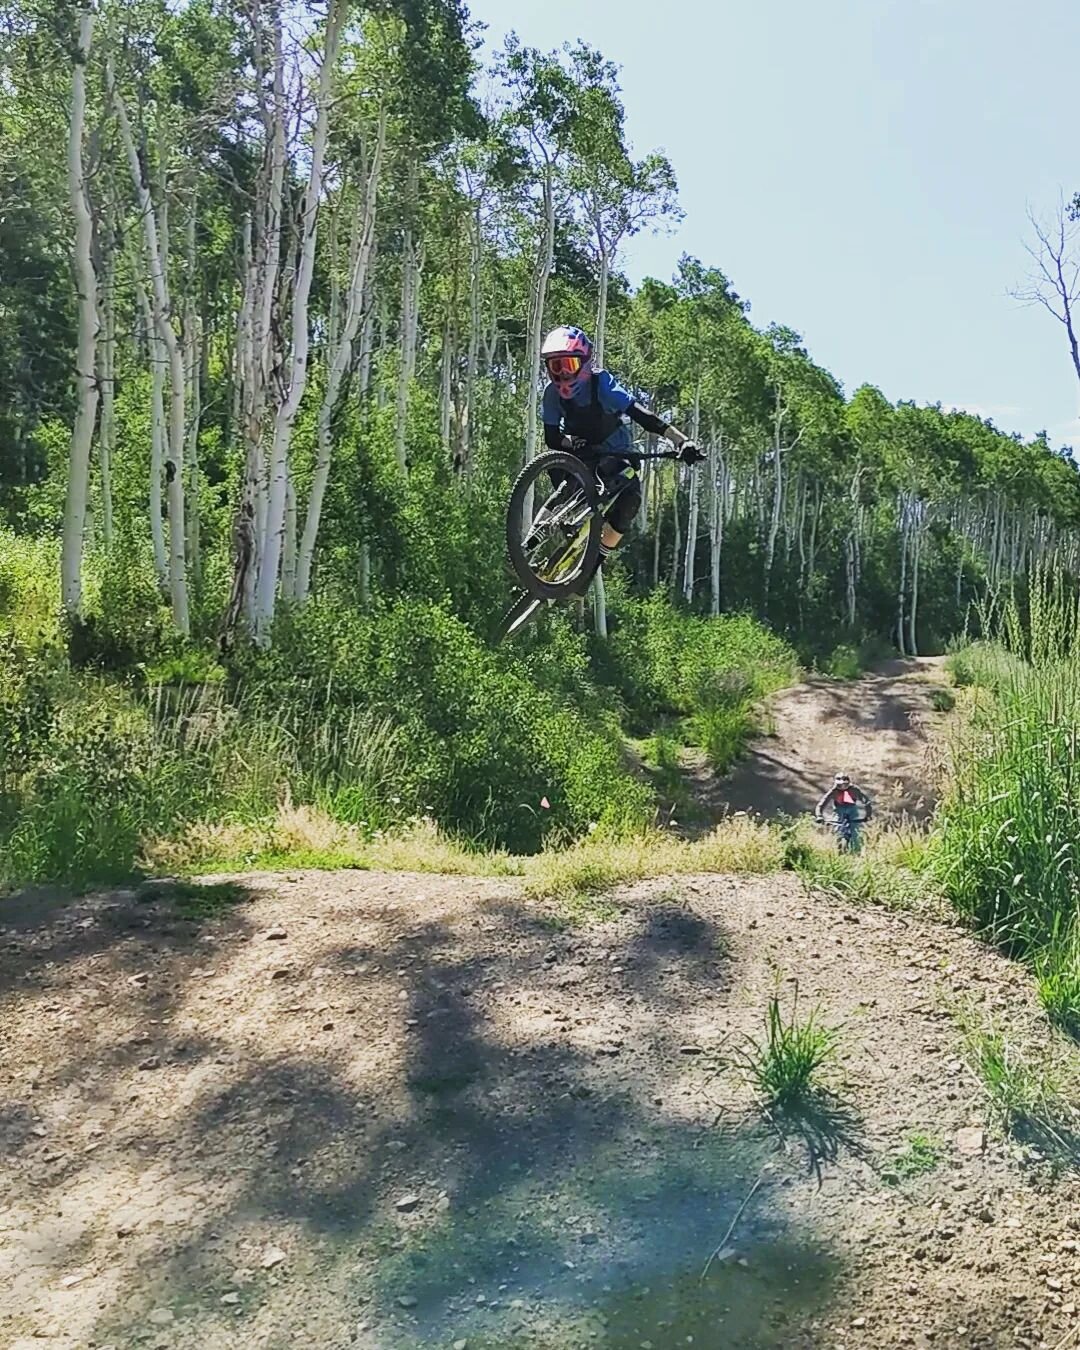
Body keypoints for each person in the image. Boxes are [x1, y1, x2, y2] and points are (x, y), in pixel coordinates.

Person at [540, 325, 704, 573]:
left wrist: (681, 441)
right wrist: (571, 443)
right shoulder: (552, 394)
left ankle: (589, 569)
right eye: (556, 366)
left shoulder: (601, 384)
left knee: (631, 501)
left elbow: (641, 415)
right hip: (580, 456)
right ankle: (529, 541)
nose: (562, 374)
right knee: (567, 485)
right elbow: (552, 438)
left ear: (584, 363)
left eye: (569, 365)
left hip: (616, 453)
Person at [815, 773, 873, 851]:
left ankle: (856, 852)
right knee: (838, 831)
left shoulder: (855, 790)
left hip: (852, 810)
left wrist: (868, 815)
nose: (842, 787)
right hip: (839, 811)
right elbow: (821, 804)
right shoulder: (833, 791)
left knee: (855, 832)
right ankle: (838, 850)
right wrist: (819, 816)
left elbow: (866, 802)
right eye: (839, 785)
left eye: (845, 785)